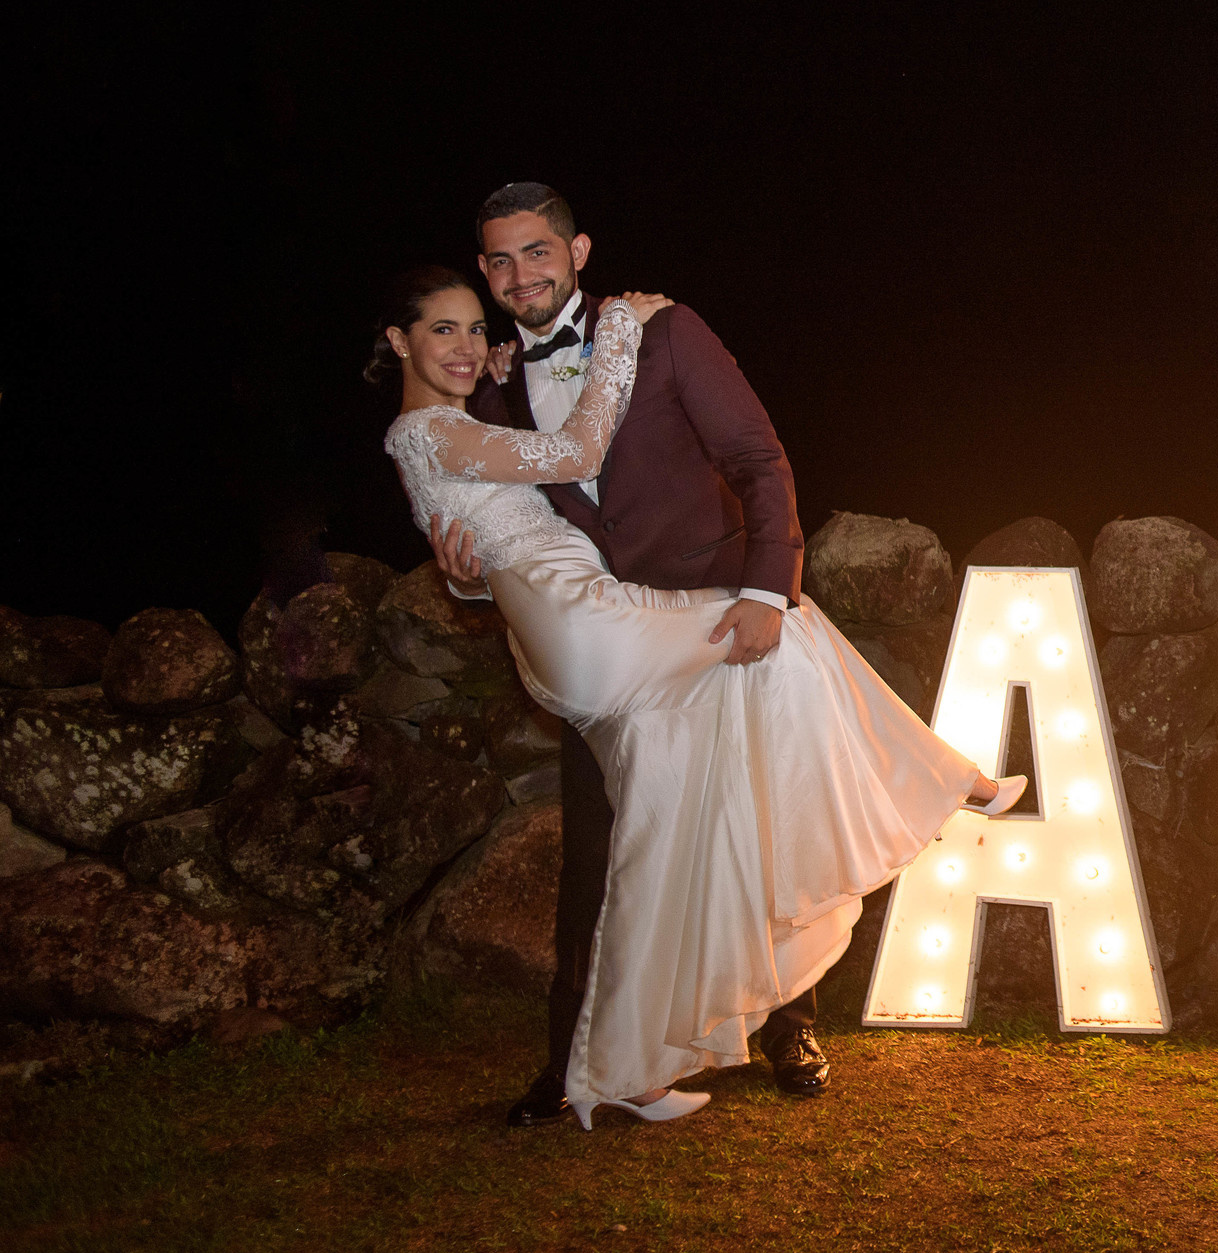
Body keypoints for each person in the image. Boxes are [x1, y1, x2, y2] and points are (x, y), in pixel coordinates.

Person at [372, 245, 1022, 1130]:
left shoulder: (659, 343)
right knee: (775, 641)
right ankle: (946, 780)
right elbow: (574, 451)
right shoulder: (464, 409)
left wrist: (468, 574)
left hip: (593, 622)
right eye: (448, 320)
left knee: (671, 843)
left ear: (574, 252)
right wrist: (616, 340)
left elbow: (748, 458)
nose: (468, 338)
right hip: (593, 628)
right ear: (400, 339)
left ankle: (628, 1072)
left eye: (472, 327)